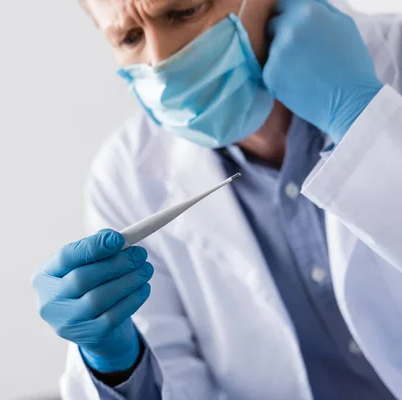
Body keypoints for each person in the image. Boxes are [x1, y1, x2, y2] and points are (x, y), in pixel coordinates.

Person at [31, 0, 402, 398]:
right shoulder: (127, 179)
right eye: (130, 37)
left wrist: (360, 117)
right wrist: (120, 370)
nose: (159, 62)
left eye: (183, 12)